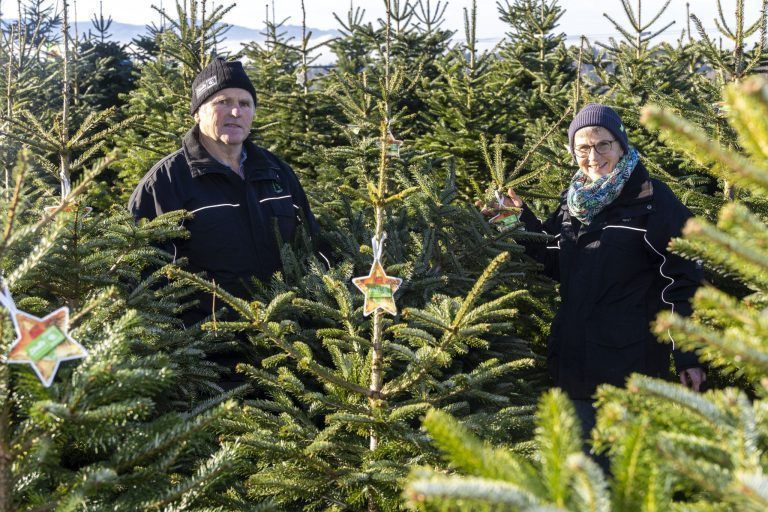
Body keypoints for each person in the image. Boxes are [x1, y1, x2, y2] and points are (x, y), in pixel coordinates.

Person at [484, 103, 706, 451]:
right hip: (574, 362)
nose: (593, 156)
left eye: (603, 144)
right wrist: (519, 222)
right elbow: (555, 262)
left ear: (621, 145)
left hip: (630, 367)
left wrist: (689, 356)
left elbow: (682, 281)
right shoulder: (574, 202)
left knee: (622, 475)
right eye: (583, 147)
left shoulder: (653, 201)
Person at [128, 57, 324, 386]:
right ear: (199, 112)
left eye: (244, 103)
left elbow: (313, 244)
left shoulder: (274, 171)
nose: (236, 112)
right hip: (209, 361)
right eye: (223, 102)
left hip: (284, 345)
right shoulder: (166, 182)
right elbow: (144, 275)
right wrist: (180, 346)